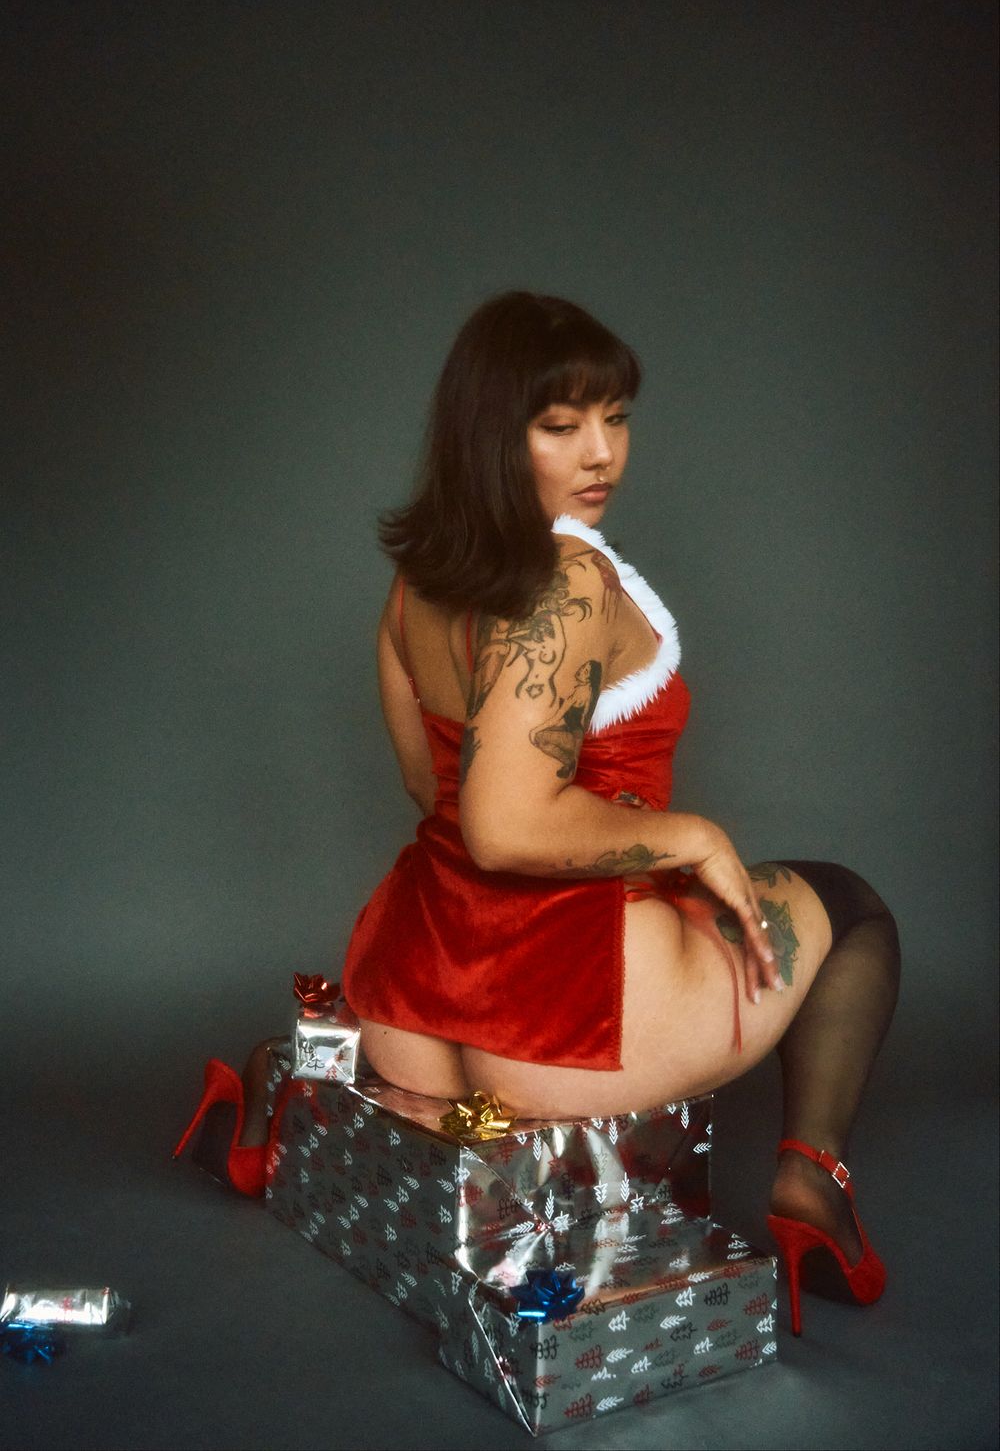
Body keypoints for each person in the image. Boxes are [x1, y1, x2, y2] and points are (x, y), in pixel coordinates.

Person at [176, 291, 900, 1338]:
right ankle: (810, 1189)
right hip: (563, 1026)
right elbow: (504, 828)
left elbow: (431, 792)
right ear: (490, 434)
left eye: (616, 418)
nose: (601, 453)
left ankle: (283, 1089)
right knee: (851, 908)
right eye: (560, 426)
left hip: (414, 1002)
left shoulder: (416, 580)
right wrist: (691, 837)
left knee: (501, 926)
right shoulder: (568, 578)